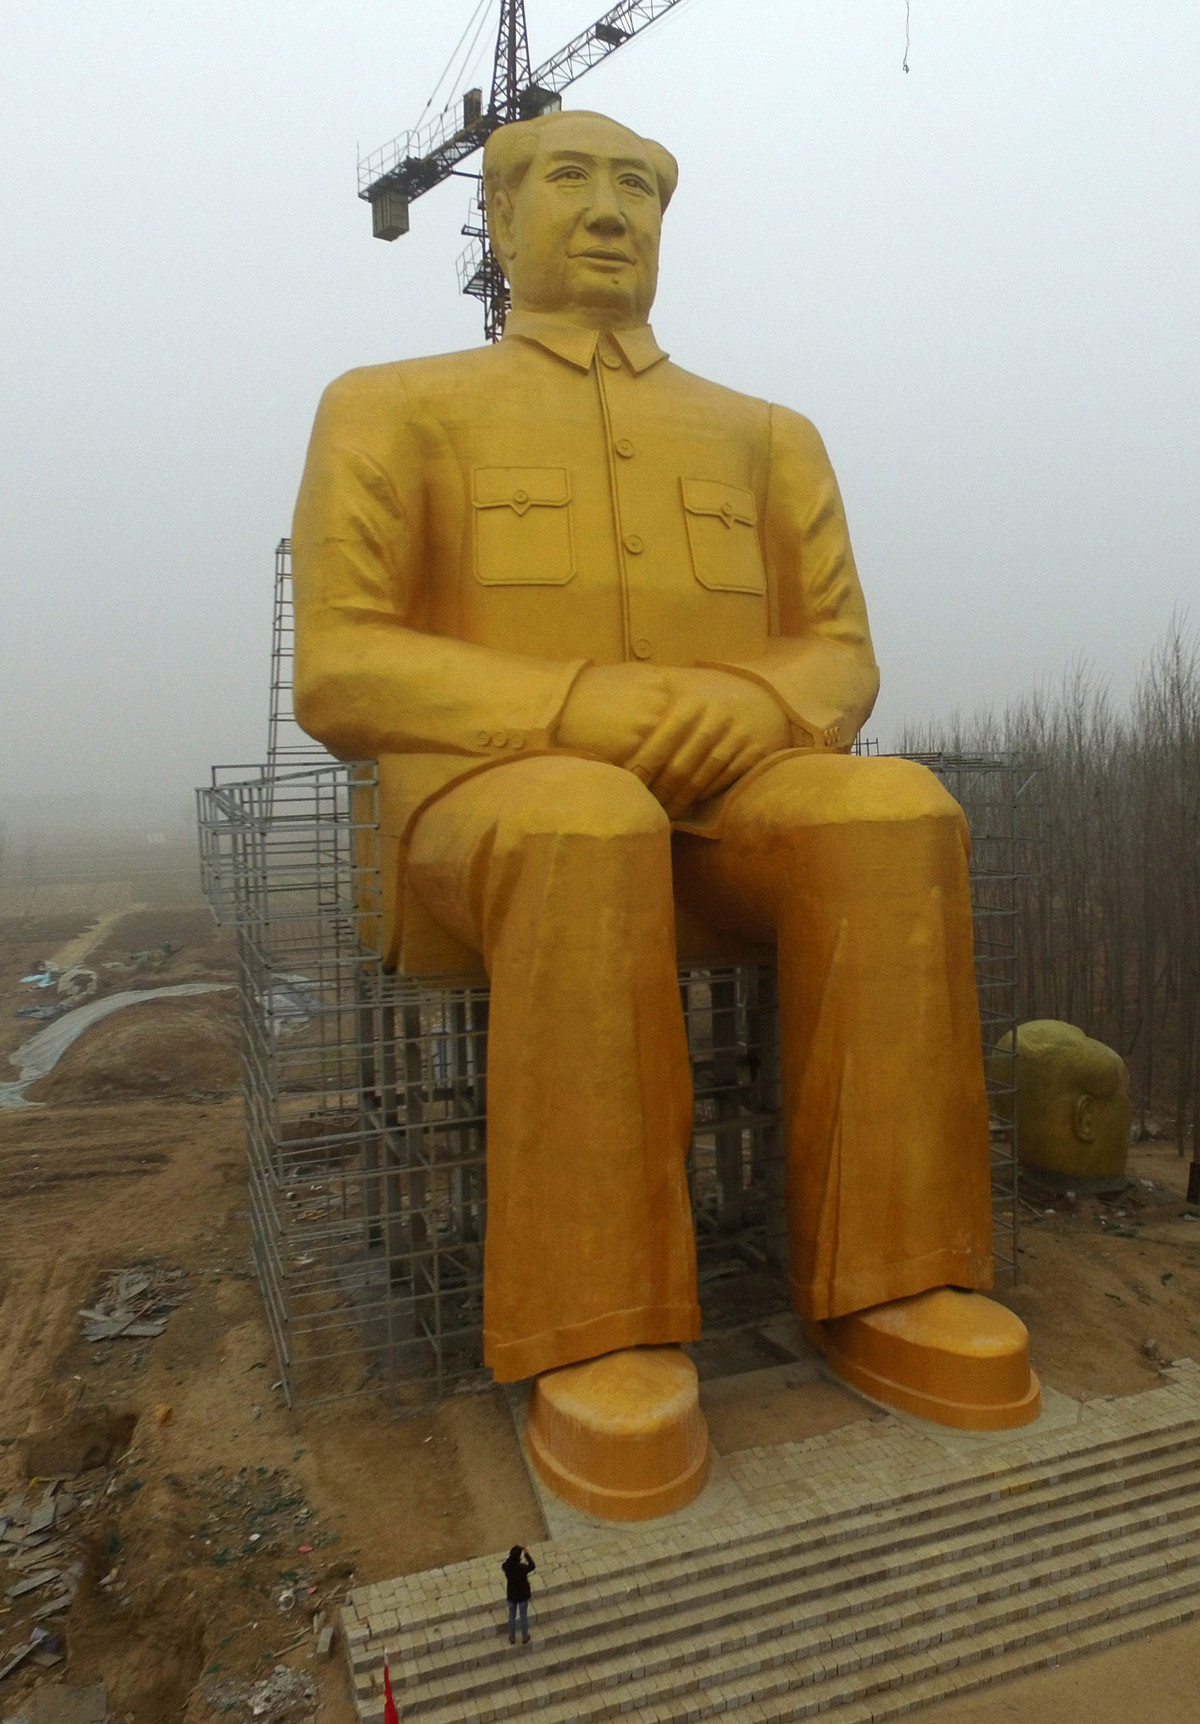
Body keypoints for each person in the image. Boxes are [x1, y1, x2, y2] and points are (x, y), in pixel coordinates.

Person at [292, 107, 1036, 1481]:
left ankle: (895, 1275)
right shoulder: (392, 406)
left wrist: (756, 704)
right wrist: (574, 707)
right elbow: (340, 665)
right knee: (585, 820)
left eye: (635, 186)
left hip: (731, 801)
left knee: (892, 813)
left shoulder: (769, 435)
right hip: (492, 807)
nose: (608, 210)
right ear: (497, 220)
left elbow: (838, 651)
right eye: (568, 179)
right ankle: (595, 1320)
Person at [502, 1545, 536, 1645]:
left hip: (512, 1595)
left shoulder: (507, 1567)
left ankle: (512, 1637)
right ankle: (525, 1636)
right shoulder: (522, 1568)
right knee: (523, 1616)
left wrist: (511, 1557)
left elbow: (505, 1564)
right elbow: (532, 1566)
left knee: (511, 1616)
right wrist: (526, 1554)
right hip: (523, 1595)